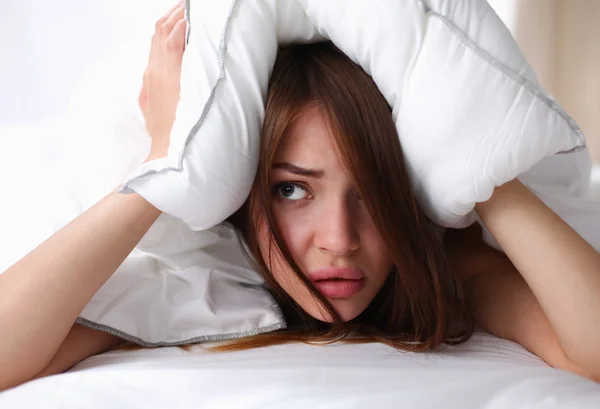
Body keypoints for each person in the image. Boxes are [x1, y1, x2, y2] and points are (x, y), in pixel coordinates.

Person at [1, 2, 599, 391]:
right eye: (292, 190)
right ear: (242, 190)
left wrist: (481, 164)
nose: (339, 241)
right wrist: (167, 169)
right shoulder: (197, 275)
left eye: (371, 192)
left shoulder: (441, 267)